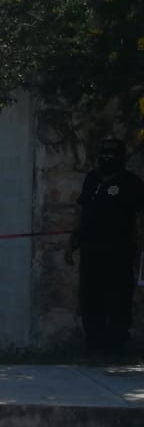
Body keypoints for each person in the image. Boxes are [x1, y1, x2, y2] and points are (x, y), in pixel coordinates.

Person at [65, 137, 144, 362]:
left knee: (119, 300)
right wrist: (72, 241)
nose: (107, 157)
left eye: (112, 153)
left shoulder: (131, 182)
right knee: (90, 299)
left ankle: (116, 350)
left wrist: (140, 250)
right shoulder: (92, 179)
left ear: (121, 156)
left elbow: (140, 216)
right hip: (91, 249)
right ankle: (94, 349)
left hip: (119, 251)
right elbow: (82, 211)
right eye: (104, 153)